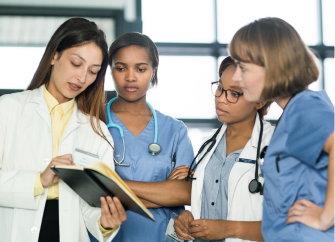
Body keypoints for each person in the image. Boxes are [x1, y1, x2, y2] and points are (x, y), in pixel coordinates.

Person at [0, 18, 126, 242]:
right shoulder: (7, 109)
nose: (82, 77)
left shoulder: (97, 132)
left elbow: (94, 206)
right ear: (54, 55)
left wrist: (105, 223)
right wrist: (39, 180)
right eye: (76, 64)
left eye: (93, 71)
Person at [126, 56, 274, 242]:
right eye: (220, 88)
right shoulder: (209, 146)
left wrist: (228, 229)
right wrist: (186, 219)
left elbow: (292, 225)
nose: (221, 99)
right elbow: (200, 202)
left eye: (234, 93)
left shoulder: (277, 147)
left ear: (260, 100)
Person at [229, 17, 335, 241]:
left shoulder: (304, 108)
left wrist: (326, 217)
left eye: (243, 68)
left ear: (273, 67)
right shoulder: (292, 113)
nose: (237, 77)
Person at [101, 32, 194, 242]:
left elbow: (185, 193)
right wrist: (163, 193)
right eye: (121, 68)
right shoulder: (93, 123)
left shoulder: (175, 130)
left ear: (153, 72)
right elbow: (88, 193)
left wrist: (112, 184)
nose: (130, 77)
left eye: (141, 69)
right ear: (110, 70)